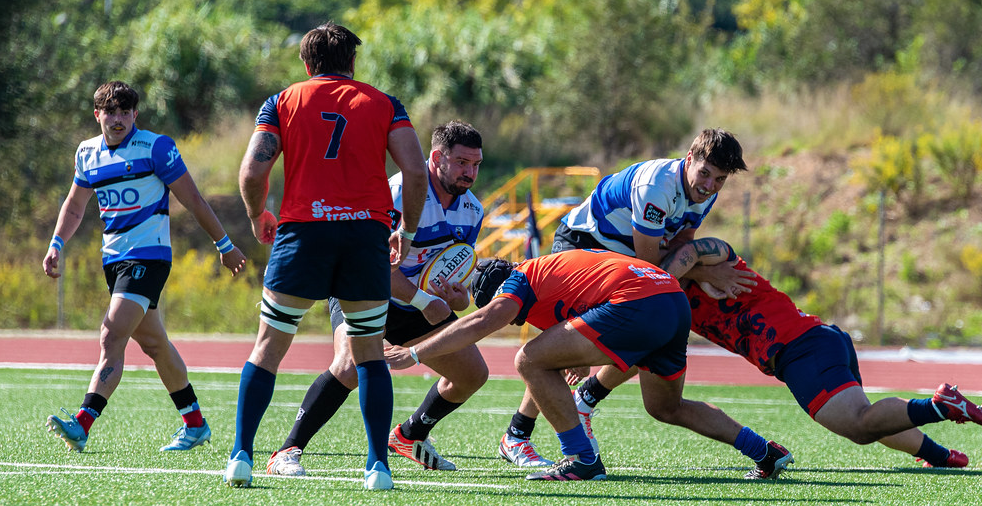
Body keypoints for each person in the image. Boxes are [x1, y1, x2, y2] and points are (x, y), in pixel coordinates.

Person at [566, 237, 980, 470]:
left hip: (801, 347)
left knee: (858, 425)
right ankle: (940, 456)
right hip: (814, 341)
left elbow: (697, 251)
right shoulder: (667, 304)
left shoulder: (709, 256)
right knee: (866, 419)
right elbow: (641, 351)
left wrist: (661, 275)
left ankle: (939, 405)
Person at [225, 23, 427, 490]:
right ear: (352, 63)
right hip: (363, 237)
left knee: (268, 349)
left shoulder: (281, 101)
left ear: (306, 62)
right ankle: (378, 465)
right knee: (369, 354)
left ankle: (241, 456)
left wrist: (258, 215)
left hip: (303, 234)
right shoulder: (383, 103)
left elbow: (253, 171)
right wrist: (407, 231)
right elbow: (415, 172)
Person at [386, 249, 791, 481]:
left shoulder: (518, 280)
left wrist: (416, 352)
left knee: (527, 359)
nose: (513, 318)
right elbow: (583, 304)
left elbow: (480, 322)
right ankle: (766, 452)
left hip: (638, 302)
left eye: (509, 312)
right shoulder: (551, 271)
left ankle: (582, 459)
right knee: (667, 407)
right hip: (671, 300)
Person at [264, 120, 494, 476]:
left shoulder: (473, 211)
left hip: (416, 301)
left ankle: (410, 435)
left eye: (476, 165)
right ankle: (286, 451)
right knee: (349, 364)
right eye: (463, 163)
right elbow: (375, 267)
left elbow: (453, 277)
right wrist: (424, 302)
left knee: (472, 374)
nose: (470, 173)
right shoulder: (397, 194)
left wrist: (456, 297)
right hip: (362, 287)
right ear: (437, 158)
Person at [42, 80, 247, 454]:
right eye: (111, 112)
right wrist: (57, 243)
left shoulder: (156, 147)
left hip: (149, 256)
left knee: (111, 335)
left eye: (125, 112)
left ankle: (83, 423)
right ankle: (195, 424)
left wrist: (225, 245)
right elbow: (75, 205)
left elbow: (194, 199)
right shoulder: (87, 153)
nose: (118, 119)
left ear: (135, 114)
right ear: (97, 115)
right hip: (114, 259)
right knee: (154, 343)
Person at [553, 127, 754, 299]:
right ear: (690, 158)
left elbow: (680, 244)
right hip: (583, 241)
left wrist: (695, 271)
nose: (709, 186)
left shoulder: (705, 191)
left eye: (720, 179)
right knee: (575, 329)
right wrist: (705, 274)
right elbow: (648, 263)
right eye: (704, 173)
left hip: (621, 256)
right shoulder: (657, 187)